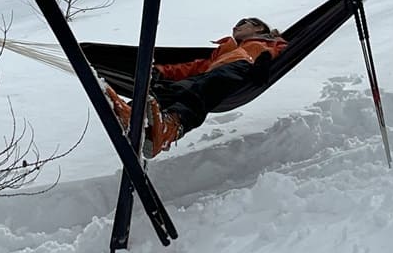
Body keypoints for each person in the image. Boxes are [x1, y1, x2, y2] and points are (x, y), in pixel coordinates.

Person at [106, 17, 287, 158]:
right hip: (209, 77)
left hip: (241, 72)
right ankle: (134, 114)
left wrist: (265, 59)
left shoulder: (267, 42)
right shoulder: (224, 50)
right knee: (172, 90)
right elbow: (194, 67)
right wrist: (160, 70)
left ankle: (171, 127)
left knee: (201, 90)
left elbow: (279, 49)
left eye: (242, 23)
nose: (235, 27)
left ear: (258, 27)